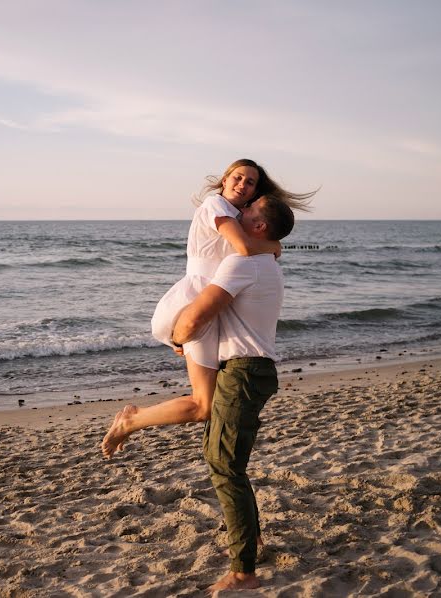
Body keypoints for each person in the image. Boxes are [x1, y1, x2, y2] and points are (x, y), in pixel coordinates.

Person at [101, 159, 313, 458]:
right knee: (203, 405)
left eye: (250, 182)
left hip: (211, 307)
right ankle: (131, 420)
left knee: (206, 406)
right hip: (195, 300)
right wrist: (275, 247)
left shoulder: (240, 215)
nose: (242, 184)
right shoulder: (216, 205)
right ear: (224, 180)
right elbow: (243, 248)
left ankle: (133, 419)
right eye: (238, 177)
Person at [171, 196, 294, 592]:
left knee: (224, 466)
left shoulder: (242, 263)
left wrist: (178, 337)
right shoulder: (269, 265)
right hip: (252, 371)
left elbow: (196, 315)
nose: (239, 213)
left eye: (249, 212)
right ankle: (253, 540)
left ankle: (243, 572)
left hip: (242, 373)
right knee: (225, 459)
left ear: (259, 226)